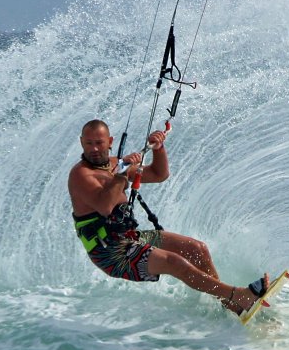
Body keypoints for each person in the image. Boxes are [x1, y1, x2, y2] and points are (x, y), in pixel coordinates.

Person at [68, 119, 268, 315]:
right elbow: (105, 206)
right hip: (109, 252)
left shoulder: (114, 164)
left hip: (129, 237)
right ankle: (238, 296)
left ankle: (229, 303)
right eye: (89, 143)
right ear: (81, 142)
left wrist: (158, 148)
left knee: (196, 249)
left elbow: (158, 174)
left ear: (110, 141)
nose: (94, 149)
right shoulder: (81, 175)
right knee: (174, 263)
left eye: (99, 143)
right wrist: (121, 173)